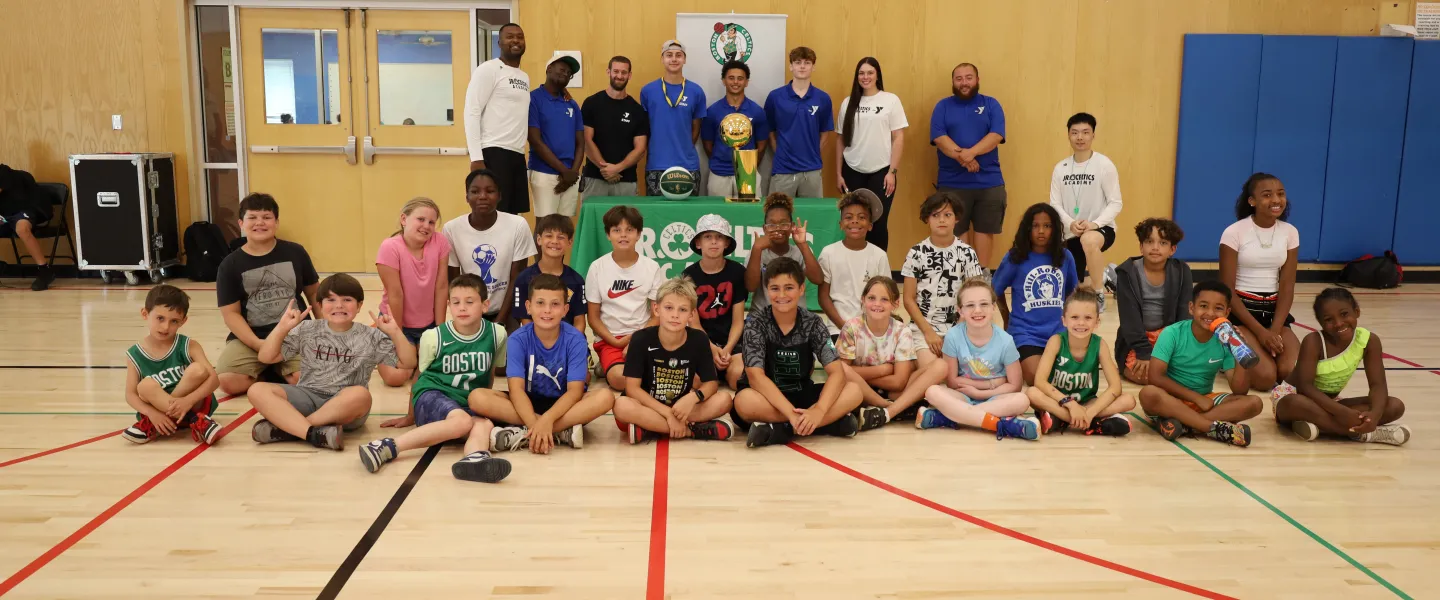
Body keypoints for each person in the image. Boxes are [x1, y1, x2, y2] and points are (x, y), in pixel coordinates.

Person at [359, 274, 513, 482]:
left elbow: (490, 373)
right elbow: (419, 376)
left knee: (484, 424)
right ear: (449, 305)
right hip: (432, 394)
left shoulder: (497, 334)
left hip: (464, 402)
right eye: (456, 302)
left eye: (470, 302)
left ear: (485, 305)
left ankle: (475, 460)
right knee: (462, 421)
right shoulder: (435, 336)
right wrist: (410, 415)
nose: (462, 308)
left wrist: (485, 405)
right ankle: (385, 447)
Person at [248, 274, 417, 450]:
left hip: (346, 409)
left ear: (359, 306)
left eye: (347, 300)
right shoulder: (307, 329)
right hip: (307, 396)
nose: (339, 305)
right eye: (331, 299)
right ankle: (313, 433)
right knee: (257, 390)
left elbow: (408, 363)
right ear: (319, 305)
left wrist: (396, 332)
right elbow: (266, 357)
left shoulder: (371, 336)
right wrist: (281, 328)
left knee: (361, 395)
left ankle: (291, 429)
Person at [734, 257, 869, 448]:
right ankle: (826, 425)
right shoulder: (755, 323)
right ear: (766, 290)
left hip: (801, 393)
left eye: (789, 287)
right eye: (774, 288)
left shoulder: (813, 323)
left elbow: (836, 372)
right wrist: (791, 413)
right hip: (767, 398)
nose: (782, 294)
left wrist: (819, 410)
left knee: (854, 391)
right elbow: (756, 378)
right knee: (743, 402)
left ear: (801, 289)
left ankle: (784, 430)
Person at [475, 274, 616, 453]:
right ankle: (558, 432)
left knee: (605, 397)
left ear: (565, 310)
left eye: (555, 304)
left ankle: (528, 433)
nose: (547, 310)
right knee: (477, 397)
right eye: (540, 303)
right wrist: (537, 423)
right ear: (528, 307)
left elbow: (575, 391)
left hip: (565, 406)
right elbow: (516, 389)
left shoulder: (576, 340)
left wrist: (547, 420)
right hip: (526, 403)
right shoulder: (517, 339)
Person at [1274, 288, 1409, 445]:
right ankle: (1366, 434)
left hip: (1331, 403)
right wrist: (1342, 412)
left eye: (1344, 314)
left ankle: (1319, 426)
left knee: (1394, 405)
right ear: (1321, 323)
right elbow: (1305, 387)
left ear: (1357, 312)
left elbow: (1377, 385)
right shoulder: (1314, 341)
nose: (1338, 323)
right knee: (1295, 403)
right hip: (1296, 398)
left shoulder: (1369, 341)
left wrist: (1374, 415)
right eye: (1329, 320)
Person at [214, 193, 318, 396]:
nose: (259, 223)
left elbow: (315, 294)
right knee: (228, 383)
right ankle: (270, 370)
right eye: (252, 217)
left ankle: (276, 368)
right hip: (252, 338)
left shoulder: (295, 252)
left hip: (295, 334)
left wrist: (331, 332)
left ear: (276, 222)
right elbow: (231, 314)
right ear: (241, 223)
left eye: (266, 217)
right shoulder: (229, 265)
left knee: (304, 379)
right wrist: (260, 345)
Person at [1137, 280, 1263, 447]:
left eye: (1218, 308)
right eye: (1203, 306)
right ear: (1191, 308)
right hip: (1170, 401)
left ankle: (1184, 425)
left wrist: (1240, 350)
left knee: (1254, 403)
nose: (1210, 313)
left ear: (1227, 312)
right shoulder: (1172, 333)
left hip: (1205, 401)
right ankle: (1210, 427)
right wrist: (1195, 398)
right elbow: (1155, 377)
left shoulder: (1226, 339)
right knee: (1148, 393)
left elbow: (1239, 389)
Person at [912, 279, 1039, 440]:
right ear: (960, 310)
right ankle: (1000, 425)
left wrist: (980, 392)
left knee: (1022, 400)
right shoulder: (953, 336)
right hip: (963, 396)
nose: (977, 310)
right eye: (970, 305)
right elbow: (951, 381)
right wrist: (992, 383)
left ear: (993, 308)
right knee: (932, 392)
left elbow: (1015, 385)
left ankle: (951, 416)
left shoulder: (1006, 341)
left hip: (995, 397)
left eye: (984, 304)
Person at [616, 277, 735, 444]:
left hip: (683, 408)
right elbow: (632, 389)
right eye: (669, 308)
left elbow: (711, 384)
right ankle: (691, 431)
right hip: (648, 406)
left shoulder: (699, 339)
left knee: (724, 400)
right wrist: (666, 413)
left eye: (683, 310)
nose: (675, 315)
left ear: (692, 315)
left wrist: (692, 398)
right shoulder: (640, 339)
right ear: (656, 309)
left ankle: (651, 428)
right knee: (622, 406)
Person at [1219, 172, 1300, 392]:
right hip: (1241, 313)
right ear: (1252, 201)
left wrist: (1273, 330)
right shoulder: (1234, 233)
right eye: (1267, 195)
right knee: (1265, 379)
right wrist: (1260, 333)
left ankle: (1257, 346)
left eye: (1280, 194)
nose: (1276, 200)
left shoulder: (1290, 233)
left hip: (1275, 314)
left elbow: (1287, 285)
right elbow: (1226, 290)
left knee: (1291, 372)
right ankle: (1224, 353)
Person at [1024, 288, 1135, 436]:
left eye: (1088, 318)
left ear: (1097, 322)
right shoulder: (1056, 341)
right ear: (1064, 320)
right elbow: (1040, 382)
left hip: (1088, 403)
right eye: (1075, 317)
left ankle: (1069, 419)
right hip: (1059, 401)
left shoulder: (1100, 345)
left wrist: (1090, 412)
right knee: (1031, 393)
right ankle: (1093, 423)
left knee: (1129, 400)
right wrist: (1069, 404)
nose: (1081, 323)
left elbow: (1115, 387)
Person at [120, 285, 223, 445]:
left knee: (198, 369)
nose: (166, 327)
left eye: (174, 321)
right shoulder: (134, 354)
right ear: (145, 314)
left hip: (194, 405)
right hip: (158, 413)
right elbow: (130, 395)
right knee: (144, 386)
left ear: (183, 321)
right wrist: (151, 413)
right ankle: (196, 422)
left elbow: (214, 380)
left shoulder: (189, 345)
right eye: (160, 318)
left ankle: (155, 425)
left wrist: (188, 401)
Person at [931, 63, 1007, 265]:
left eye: (968, 77)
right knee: (955, 231)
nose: (964, 82)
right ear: (953, 82)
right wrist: (964, 159)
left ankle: (981, 277)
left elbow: (996, 135)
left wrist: (969, 154)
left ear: (977, 80)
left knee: (985, 230)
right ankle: (961, 278)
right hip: (952, 183)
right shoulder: (943, 106)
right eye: (959, 78)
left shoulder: (991, 104)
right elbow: (939, 138)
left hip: (988, 182)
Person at [993, 203, 1078, 384]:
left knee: (1066, 379)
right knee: (1037, 377)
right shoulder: (1014, 257)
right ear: (1027, 228)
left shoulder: (1065, 256)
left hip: (1059, 334)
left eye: (1047, 226)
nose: (1041, 231)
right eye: (1035, 226)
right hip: (1025, 334)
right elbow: (995, 291)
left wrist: (1068, 320)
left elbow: (1072, 291)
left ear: (1055, 229)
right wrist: (1007, 318)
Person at [902, 192, 984, 371]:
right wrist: (929, 332)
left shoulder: (967, 253)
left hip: (962, 328)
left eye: (947, 215)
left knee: (967, 373)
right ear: (927, 219)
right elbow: (908, 299)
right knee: (937, 373)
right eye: (935, 215)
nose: (942, 220)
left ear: (956, 219)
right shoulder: (916, 253)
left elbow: (975, 297)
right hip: (924, 330)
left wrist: (956, 334)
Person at [444, 169, 536, 325]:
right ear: (467, 197)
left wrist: (499, 322)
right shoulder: (451, 229)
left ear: (499, 195)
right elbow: (454, 281)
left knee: (507, 346)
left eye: (490, 191)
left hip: (508, 311)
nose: (482, 196)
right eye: (475, 191)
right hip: (471, 311)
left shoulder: (517, 225)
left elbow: (518, 278)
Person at [586, 205, 663, 391]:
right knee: (620, 380)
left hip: (644, 334)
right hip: (610, 338)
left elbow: (657, 316)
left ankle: (613, 365)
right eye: (616, 230)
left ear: (638, 234)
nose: (623, 235)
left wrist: (636, 340)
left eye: (629, 230)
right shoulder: (597, 268)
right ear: (608, 234)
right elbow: (593, 318)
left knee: (666, 373)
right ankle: (611, 364)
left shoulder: (651, 267)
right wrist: (615, 342)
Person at [1048, 112, 1121, 307]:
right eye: (1075, 133)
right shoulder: (1060, 168)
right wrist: (1070, 223)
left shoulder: (1104, 165)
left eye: (1085, 132)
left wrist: (1094, 224)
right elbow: (1054, 204)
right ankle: (1105, 275)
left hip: (1100, 229)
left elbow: (1116, 202)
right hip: (1070, 231)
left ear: (1093, 135)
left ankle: (1098, 294)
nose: (1080, 137)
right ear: (1069, 135)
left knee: (1088, 240)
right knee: (1075, 290)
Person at [375, 197, 450, 387]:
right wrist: (398, 337)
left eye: (431, 222)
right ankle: (385, 337)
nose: (426, 226)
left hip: (427, 324)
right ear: (403, 219)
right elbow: (395, 294)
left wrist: (440, 333)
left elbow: (441, 287)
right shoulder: (390, 247)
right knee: (396, 378)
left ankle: (418, 353)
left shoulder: (440, 242)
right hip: (397, 322)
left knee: (436, 370)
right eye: (421, 219)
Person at [835, 57, 907, 250]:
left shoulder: (890, 100)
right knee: (853, 223)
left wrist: (892, 172)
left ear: (877, 75)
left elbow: (898, 137)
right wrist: (839, 174)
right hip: (852, 171)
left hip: (882, 172)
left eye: (870, 72)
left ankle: (878, 274)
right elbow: (841, 139)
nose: (865, 77)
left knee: (878, 224)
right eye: (861, 73)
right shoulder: (848, 102)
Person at [1115, 218, 1192, 385]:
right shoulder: (1127, 272)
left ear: (1172, 249)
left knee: (1186, 371)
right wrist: (1144, 352)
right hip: (1137, 340)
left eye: (1163, 242)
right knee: (1142, 376)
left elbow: (1184, 314)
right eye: (1149, 242)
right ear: (1141, 247)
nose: (1155, 247)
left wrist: (1176, 348)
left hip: (1169, 338)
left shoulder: (1182, 271)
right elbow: (1129, 318)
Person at [464, 23, 531, 214]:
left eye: (520, 36)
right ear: (499, 42)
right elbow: (472, 112)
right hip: (493, 151)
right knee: (493, 213)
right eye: (510, 36)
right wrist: (476, 157)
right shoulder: (488, 69)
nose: (516, 40)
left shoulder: (524, 77)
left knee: (512, 214)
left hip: (516, 154)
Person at [836, 276, 916, 424]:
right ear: (863, 300)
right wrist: (884, 370)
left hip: (891, 390)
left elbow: (899, 382)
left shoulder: (902, 331)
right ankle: (887, 407)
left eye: (884, 299)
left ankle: (883, 407)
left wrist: (860, 374)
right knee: (839, 368)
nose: (877, 304)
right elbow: (840, 372)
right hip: (858, 389)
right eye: (871, 298)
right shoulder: (852, 328)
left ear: (895, 304)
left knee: (938, 367)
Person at [682, 214, 748, 386]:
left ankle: (726, 371)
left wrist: (727, 349)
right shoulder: (688, 276)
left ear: (726, 243)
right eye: (707, 237)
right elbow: (694, 324)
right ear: (698, 243)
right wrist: (712, 349)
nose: (713, 242)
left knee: (737, 379)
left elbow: (738, 321)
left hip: (733, 342)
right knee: (697, 380)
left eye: (719, 237)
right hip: (703, 341)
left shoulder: (737, 272)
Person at [818, 189, 890, 337]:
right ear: (841, 224)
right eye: (848, 217)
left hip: (873, 329)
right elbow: (823, 297)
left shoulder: (879, 255)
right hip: (838, 329)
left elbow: (886, 295)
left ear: (870, 225)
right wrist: (843, 326)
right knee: (841, 360)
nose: (855, 221)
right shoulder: (828, 253)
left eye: (861, 217)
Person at [639, 40, 707, 197]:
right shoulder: (648, 91)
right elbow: (645, 126)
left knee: (688, 219)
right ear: (662, 59)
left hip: (688, 166)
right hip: (657, 165)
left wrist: (684, 147)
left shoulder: (696, 91)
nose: (674, 59)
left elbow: (696, 126)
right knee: (656, 217)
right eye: (669, 55)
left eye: (679, 55)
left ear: (685, 59)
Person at [764, 46, 833, 199]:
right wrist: (782, 153)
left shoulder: (823, 98)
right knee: (777, 219)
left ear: (813, 67)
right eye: (797, 62)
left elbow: (825, 132)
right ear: (791, 66)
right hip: (783, 170)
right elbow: (770, 131)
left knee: (813, 219)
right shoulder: (775, 97)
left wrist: (811, 154)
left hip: (812, 171)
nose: (802, 66)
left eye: (807, 62)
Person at [744, 193, 823, 315]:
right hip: (761, 316)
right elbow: (750, 287)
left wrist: (803, 245)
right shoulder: (757, 252)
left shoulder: (800, 251)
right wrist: (756, 249)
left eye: (783, 223)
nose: (778, 228)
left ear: (792, 227)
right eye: (772, 224)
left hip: (796, 316)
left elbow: (817, 279)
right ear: (764, 229)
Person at [581, 56, 649, 199]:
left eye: (624, 72)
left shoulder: (637, 110)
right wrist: (605, 169)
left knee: (627, 222)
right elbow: (586, 140)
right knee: (594, 221)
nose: (619, 76)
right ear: (608, 72)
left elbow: (640, 148)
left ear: (629, 75)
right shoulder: (592, 103)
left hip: (626, 180)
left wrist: (617, 168)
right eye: (616, 71)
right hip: (595, 178)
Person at [701, 60, 769, 198]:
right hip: (719, 173)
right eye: (731, 78)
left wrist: (748, 166)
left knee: (749, 216)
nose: (735, 82)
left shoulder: (757, 111)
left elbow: (762, 145)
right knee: (717, 216)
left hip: (748, 173)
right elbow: (708, 144)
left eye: (740, 78)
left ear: (746, 82)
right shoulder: (712, 111)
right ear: (723, 81)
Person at [527, 55, 584, 219]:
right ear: (549, 69)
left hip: (571, 176)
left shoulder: (572, 104)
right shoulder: (534, 99)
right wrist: (564, 171)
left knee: (564, 228)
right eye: (562, 70)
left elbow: (580, 143)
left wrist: (573, 173)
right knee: (545, 226)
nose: (565, 74)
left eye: (569, 73)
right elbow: (535, 141)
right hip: (544, 173)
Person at [511, 214, 586, 331]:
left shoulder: (577, 280)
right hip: (536, 342)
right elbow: (526, 321)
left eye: (561, 237)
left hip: (569, 343)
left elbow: (579, 322)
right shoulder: (524, 279)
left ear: (570, 242)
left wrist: (571, 345)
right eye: (549, 236)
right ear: (539, 239)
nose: (555, 241)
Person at [0, 163, 55, 290]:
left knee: (22, 229)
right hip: (4, 216)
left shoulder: (4, 172)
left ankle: (44, 270)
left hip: (22, 210)